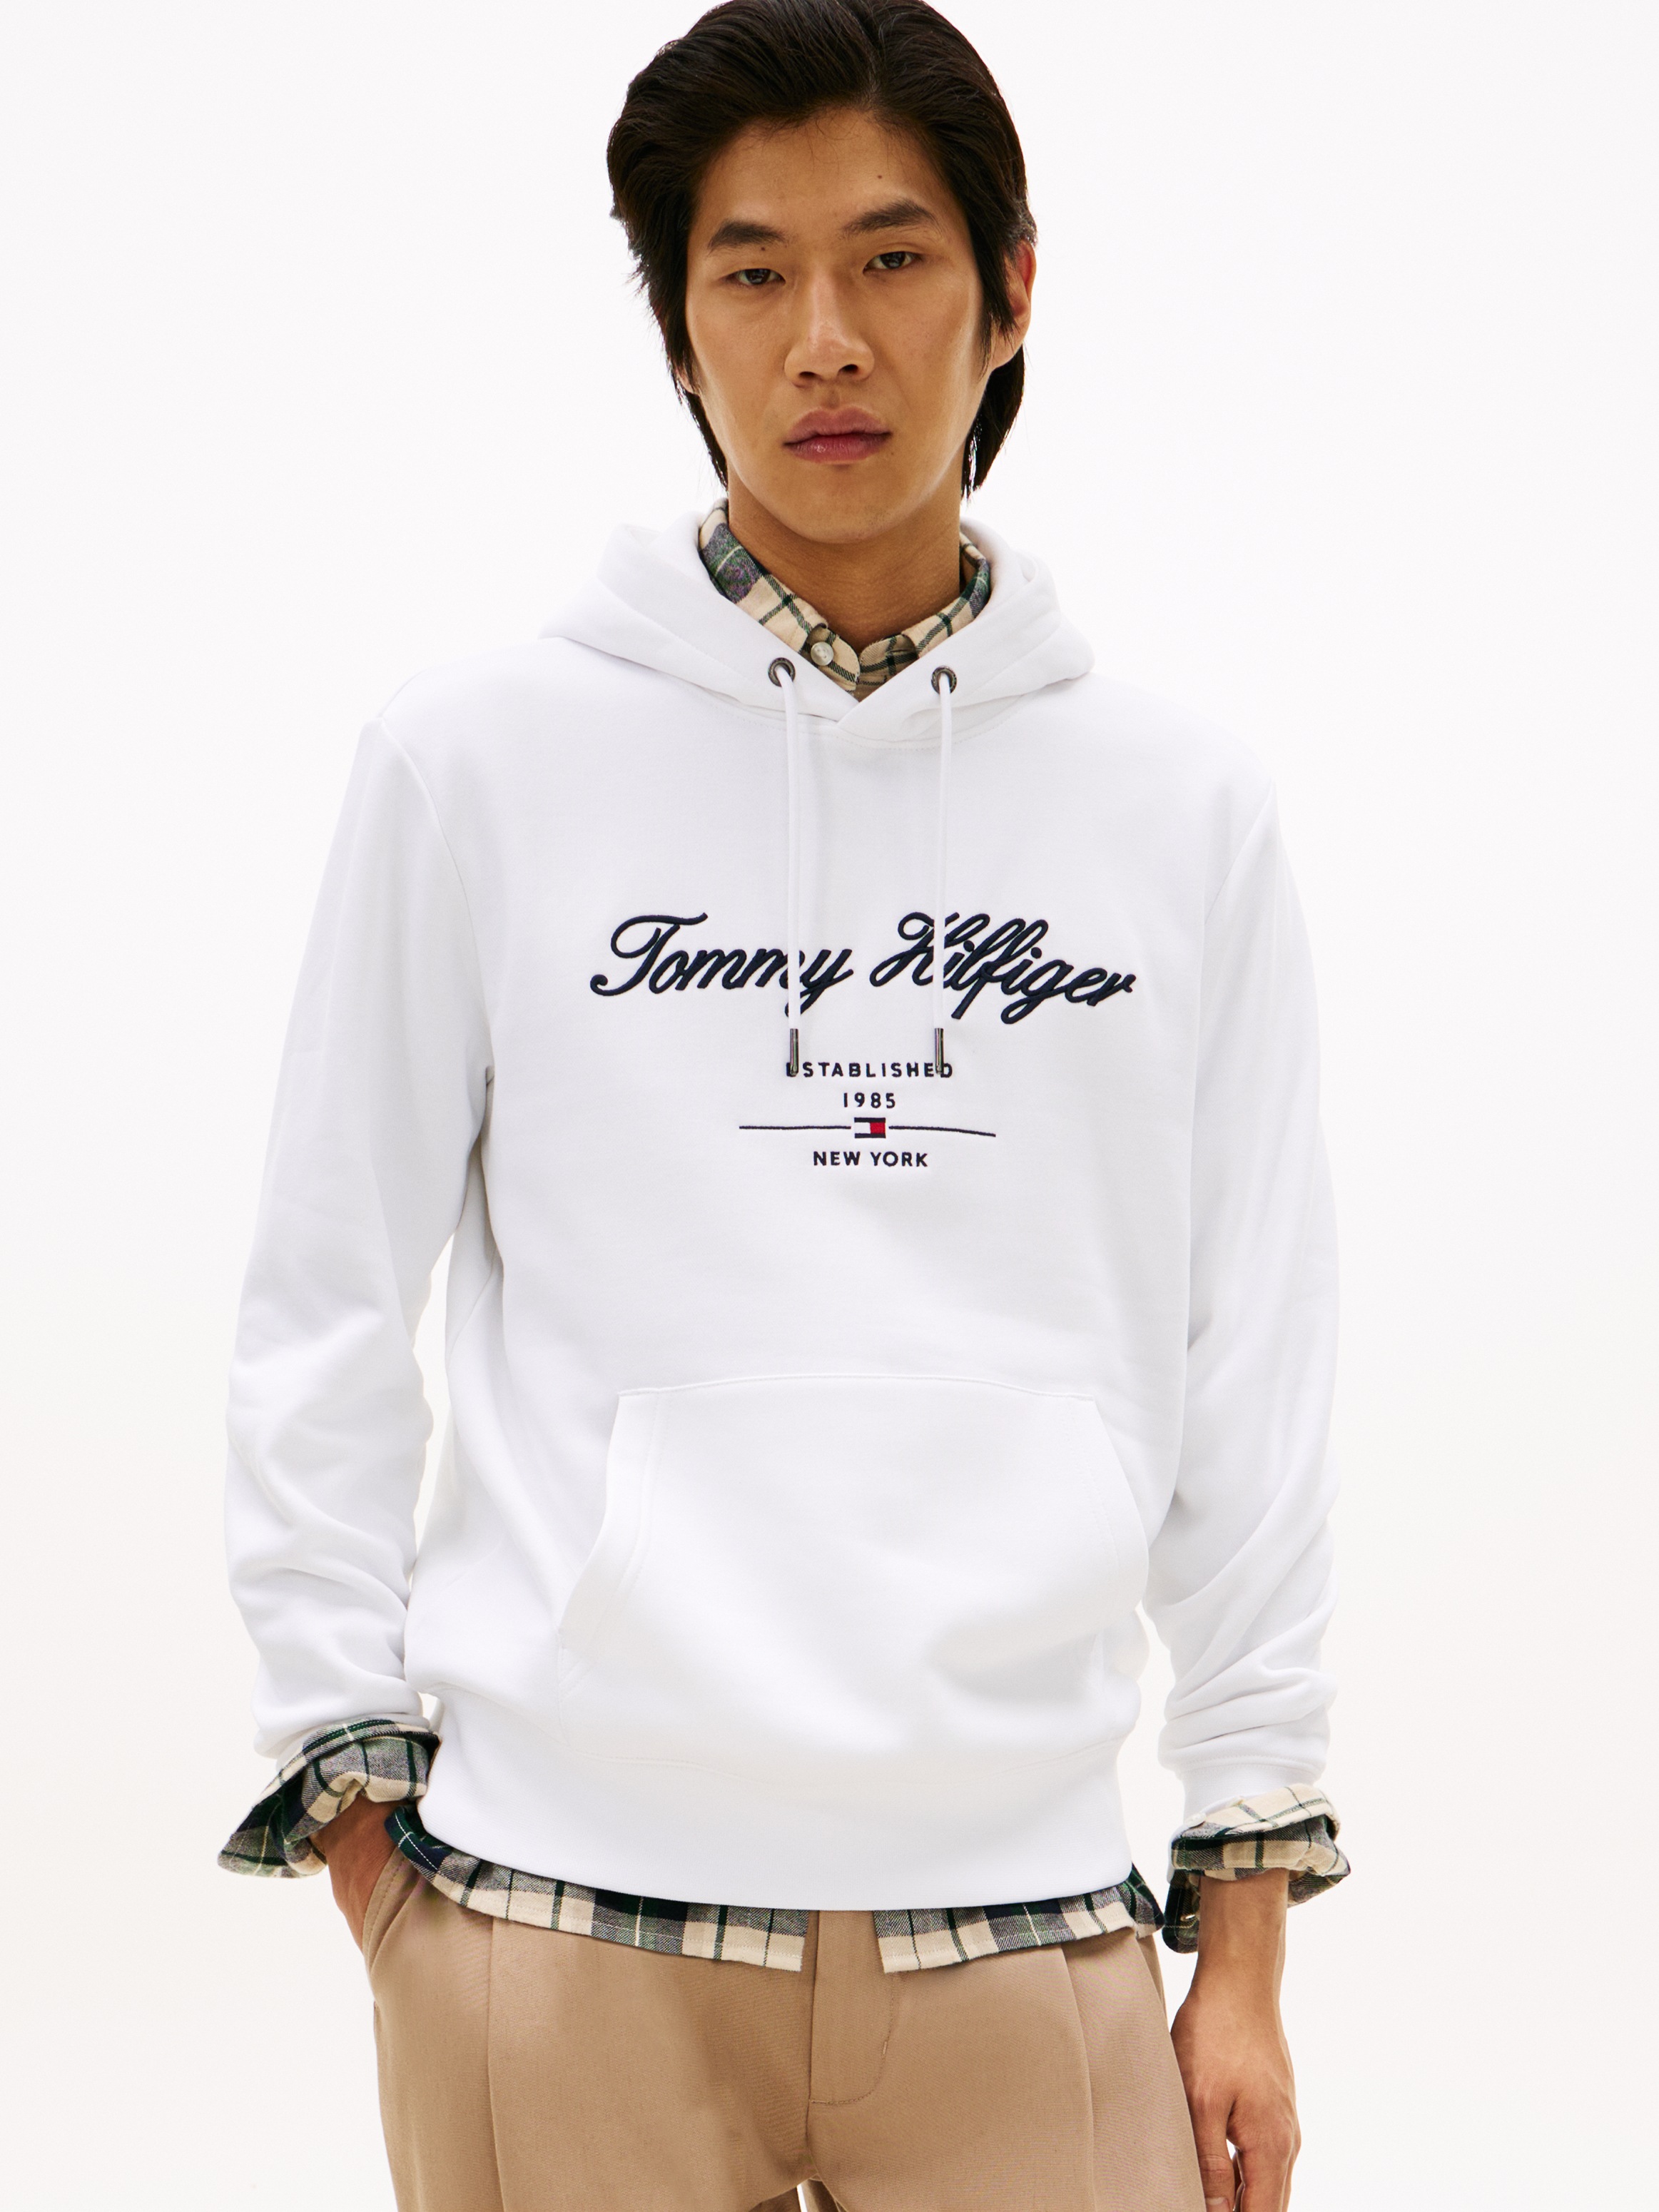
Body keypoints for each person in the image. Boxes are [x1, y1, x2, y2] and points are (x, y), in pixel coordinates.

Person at [219, 4, 1349, 2207]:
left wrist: (1242, 1941)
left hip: (1028, 1928)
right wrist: (372, 1847)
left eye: (892, 257)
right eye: (751, 272)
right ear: (679, 329)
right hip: (559, 1927)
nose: (826, 336)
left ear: (1010, 291)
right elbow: (323, 1303)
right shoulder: (478, 764)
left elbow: (1257, 1376)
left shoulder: (1180, 811)